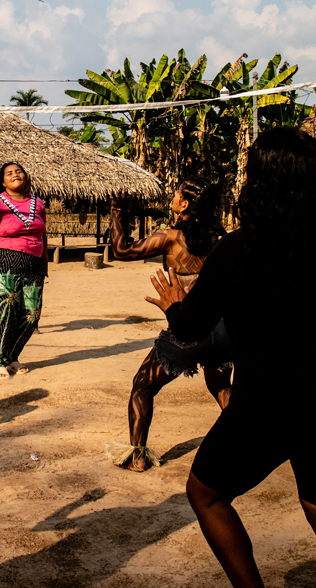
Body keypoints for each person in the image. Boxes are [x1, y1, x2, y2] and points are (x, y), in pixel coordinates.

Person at [145, 127, 316, 588]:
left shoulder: (236, 249)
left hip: (265, 409)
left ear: (261, 183)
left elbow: (192, 329)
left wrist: (173, 303)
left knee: (206, 495)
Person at [106, 179, 232, 472]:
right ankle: (248, 442)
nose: (173, 197)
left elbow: (122, 250)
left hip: (188, 328)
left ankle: (137, 456)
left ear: (184, 205)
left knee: (142, 387)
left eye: (176, 194)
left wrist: (116, 211)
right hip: (223, 330)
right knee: (222, 384)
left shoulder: (171, 238)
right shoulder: (222, 240)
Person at [0, 162, 48, 379]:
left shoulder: (37, 202)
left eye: (19, 171)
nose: (15, 175)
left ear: (26, 176)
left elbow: (43, 235)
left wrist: (45, 265)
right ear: (2, 182)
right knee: (5, 313)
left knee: (32, 316)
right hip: (4, 262)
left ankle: (12, 356)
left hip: (34, 265)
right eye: (9, 174)